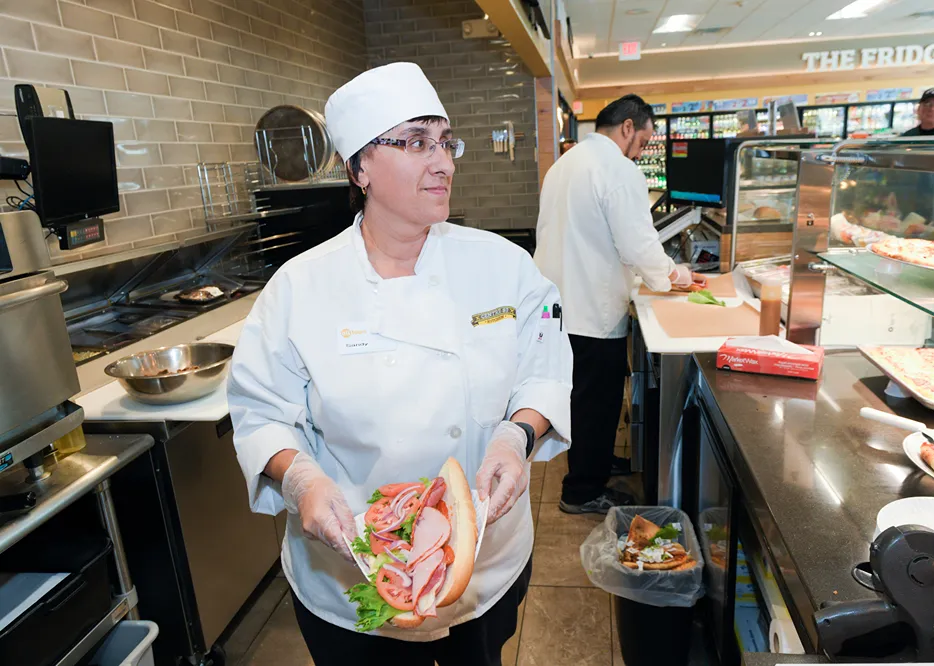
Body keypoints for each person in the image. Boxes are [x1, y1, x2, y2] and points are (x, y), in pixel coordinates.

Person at [227, 62, 572, 666]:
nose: (443, 162)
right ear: (359, 167)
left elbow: (544, 365)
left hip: (485, 560)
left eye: (444, 141)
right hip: (355, 566)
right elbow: (261, 414)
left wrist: (517, 437)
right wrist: (300, 479)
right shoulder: (299, 288)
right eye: (415, 142)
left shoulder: (503, 265)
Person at [533, 94, 703, 515]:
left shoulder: (565, 163)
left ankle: (593, 461)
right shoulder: (617, 168)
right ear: (628, 127)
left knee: (583, 399)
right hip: (590, 308)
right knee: (597, 401)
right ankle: (582, 490)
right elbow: (638, 243)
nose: (641, 152)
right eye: (643, 142)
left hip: (557, 305)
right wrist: (674, 275)